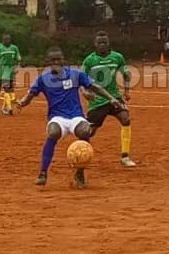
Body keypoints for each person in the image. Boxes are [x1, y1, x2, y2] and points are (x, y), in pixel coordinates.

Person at [17, 46, 124, 189]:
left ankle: (79, 172)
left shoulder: (75, 74)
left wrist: (111, 98)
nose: (56, 62)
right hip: (57, 118)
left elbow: (95, 87)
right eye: (52, 60)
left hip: (75, 116)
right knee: (53, 133)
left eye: (58, 59)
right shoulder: (43, 79)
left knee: (85, 131)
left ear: (63, 60)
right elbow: (29, 96)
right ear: (48, 62)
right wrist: (22, 102)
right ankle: (43, 173)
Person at [82, 32, 136, 167]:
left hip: (114, 97)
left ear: (108, 43)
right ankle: (82, 154)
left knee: (126, 119)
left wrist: (127, 91)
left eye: (104, 42)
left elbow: (126, 74)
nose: (102, 45)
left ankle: (125, 156)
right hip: (97, 100)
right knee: (89, 131)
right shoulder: (89, 60)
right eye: (99, 43)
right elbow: (81, 79)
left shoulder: (117, 57)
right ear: (95, 44)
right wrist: (85, 92)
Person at [0, 34, 21, 115]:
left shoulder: (14, 48)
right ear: (3, 40)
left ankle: (5, 108)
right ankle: (9, 108)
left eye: (8, 39)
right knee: (6, 89)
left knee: (10, 90)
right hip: (3, 71)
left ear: (10, 40)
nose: (7, 41)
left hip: (11, 71)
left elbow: (18, 59)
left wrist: (17, 68)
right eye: (5, 40)